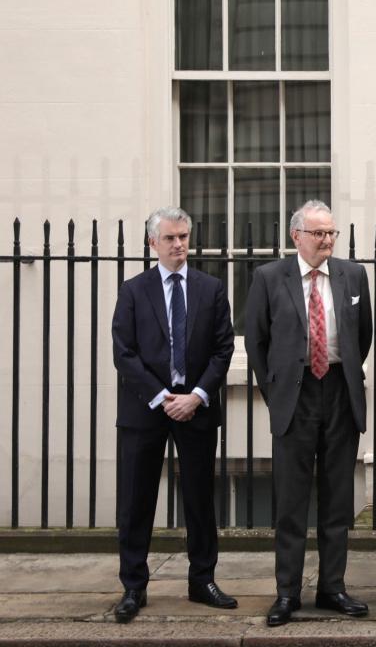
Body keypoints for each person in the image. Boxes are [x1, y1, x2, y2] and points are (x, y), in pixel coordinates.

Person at [245, 200, 374, 627]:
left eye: (331, 233)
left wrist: (345, 375)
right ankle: (287, 592)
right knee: (292, 501)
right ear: (295, 235)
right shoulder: (269, 277)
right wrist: (276, 390)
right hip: (295, 395)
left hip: (338, 389)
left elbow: (364, 335)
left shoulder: (353, 275)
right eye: (318, 233)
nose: (327, 241)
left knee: (338, 498)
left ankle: (332, 588)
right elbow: (256, 343)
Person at [111, 207, 236, 623]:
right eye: (170, 238)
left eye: (184, 236)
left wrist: (196, 395)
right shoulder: (133, 291)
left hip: (196, 409)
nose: (179, 244)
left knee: (200, 499)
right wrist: (163, 395)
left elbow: (223, 349)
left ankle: (203, 580)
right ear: (153, 243)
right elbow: (123, 353)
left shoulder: (210, 288)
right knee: (136, 499)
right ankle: (133, 586)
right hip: (146, 409)